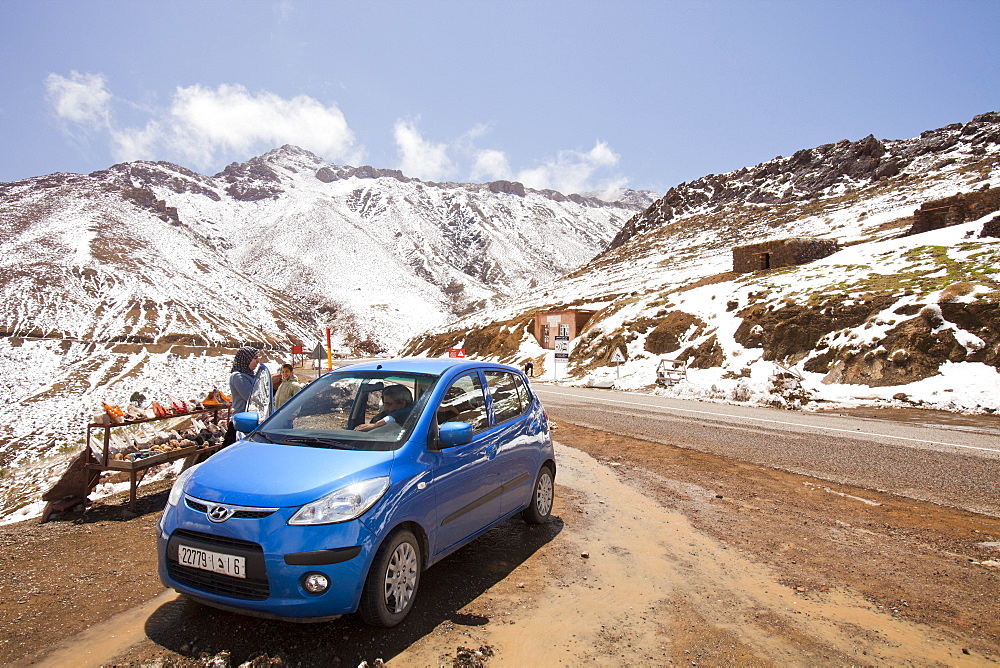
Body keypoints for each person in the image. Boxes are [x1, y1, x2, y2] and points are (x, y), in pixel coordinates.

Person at [223, 346, 260, 446]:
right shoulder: (238, 376)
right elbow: (251, 397)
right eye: (255, 358)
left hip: (249, 420)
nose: (257, 361)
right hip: (240, 422)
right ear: (246, 359)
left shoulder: (250, 375)